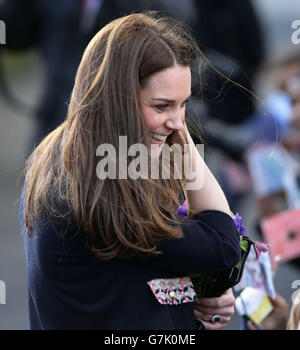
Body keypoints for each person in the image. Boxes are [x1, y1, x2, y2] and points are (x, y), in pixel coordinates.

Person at [19, 12, 241, 330]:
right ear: (117, 101)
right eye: (161, 106)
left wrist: (193, 293)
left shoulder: (68, 154)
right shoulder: (104, 187)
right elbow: (223, 245)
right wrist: (188, 149)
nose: (178, 122)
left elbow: (126, 277)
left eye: (183, 105)